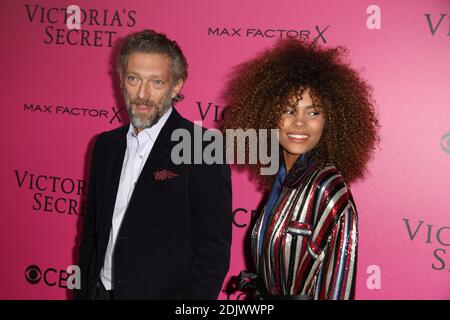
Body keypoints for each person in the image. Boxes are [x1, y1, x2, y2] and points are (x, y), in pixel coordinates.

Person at [75, 29, 232, 300]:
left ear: (176, 85)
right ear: (122, 80)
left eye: (157, 82)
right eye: (134, 79)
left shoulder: (202, 148)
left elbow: (212, 255)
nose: (143, 94)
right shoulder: (105, 146)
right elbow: (91, 235)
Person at [222, 39, 379, 300]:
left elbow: (338, 286)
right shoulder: (282, 181)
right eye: (288, 110)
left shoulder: (327, 188)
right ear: (268, 115)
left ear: (331, 120)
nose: (299, 122)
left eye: (313, 112)